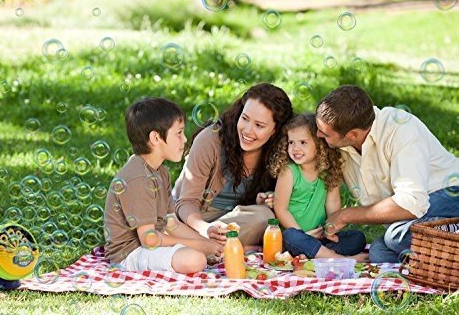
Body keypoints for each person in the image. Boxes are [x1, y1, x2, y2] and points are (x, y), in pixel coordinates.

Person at [315, 85, 459, 263]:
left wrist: (346, 215)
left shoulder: (401, 129)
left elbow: (411, 203)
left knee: (395, 236)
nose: (317, 134)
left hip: (450, 195)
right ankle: (446, 246)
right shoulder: (342, 144)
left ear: (352, 134)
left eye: (324, 133)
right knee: (379, 253)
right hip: (413, 216)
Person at [103, 98, 223, 274]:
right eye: (179, 133)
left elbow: (171, 223)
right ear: (156, 137)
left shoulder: (161, 172)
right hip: (129, 254)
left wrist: (206, 242)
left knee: (203, 252)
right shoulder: (138, 177)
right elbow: (148, 239)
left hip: (153, 244)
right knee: (195, 259)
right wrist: (201, 246)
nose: (184, 140)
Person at [173, 83, 294, 247]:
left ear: (275, 131)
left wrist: (265, 200)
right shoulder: (210, 140)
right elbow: (186, 202)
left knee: (264, 216)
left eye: (259, 125)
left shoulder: (282, 152)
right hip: (197, 218)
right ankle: (208, 245)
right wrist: (206, 229)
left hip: (236, 222)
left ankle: (205, 247)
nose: (247, 131)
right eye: (244, 119)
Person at [268, 113, 367, 261]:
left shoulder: (328, 171)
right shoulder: (288, 172)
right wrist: (302, 234)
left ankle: (315, 254)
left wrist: (330, 230)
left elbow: (333, 205)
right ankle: (338, 258)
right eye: (291, 142)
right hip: (295, 237)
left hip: (319, 237)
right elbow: (280, 209)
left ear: (319, 144)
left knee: (357, 238)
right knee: (291, 237)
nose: (295, 148)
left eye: (303, 142)